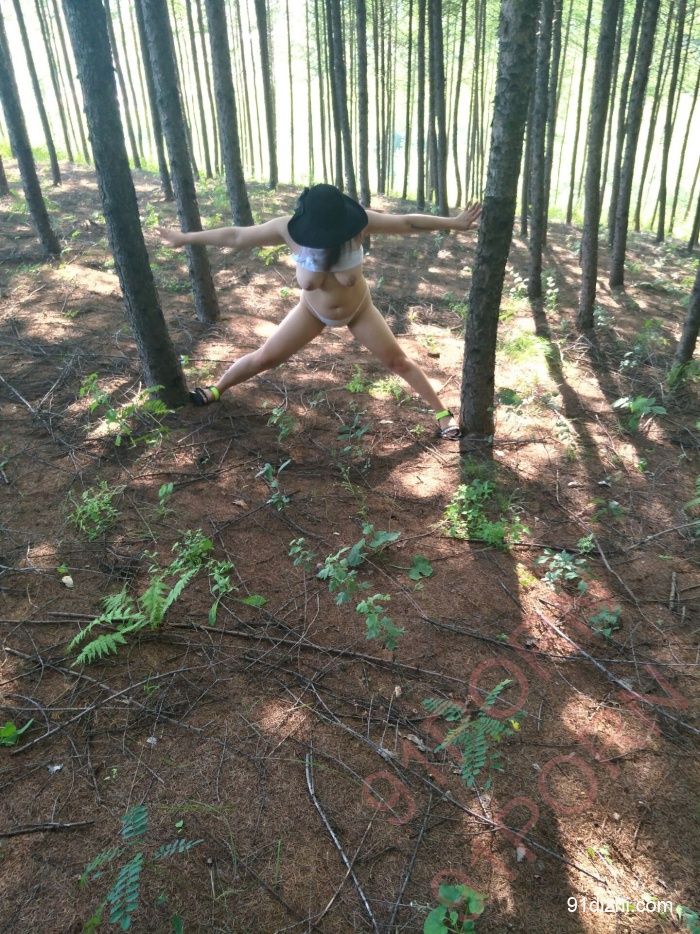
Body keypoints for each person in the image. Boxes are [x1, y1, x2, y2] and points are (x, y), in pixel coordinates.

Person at [158, 184, 481, 439]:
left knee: (397, 361)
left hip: (359, 309)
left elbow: (406, 222)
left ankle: (442, 413)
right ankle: (218, 388)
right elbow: (237, 235)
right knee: (265, 357)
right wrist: (186, 238)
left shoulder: (358, 224)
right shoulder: (288, 229)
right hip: (311, 311)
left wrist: (454, 223)